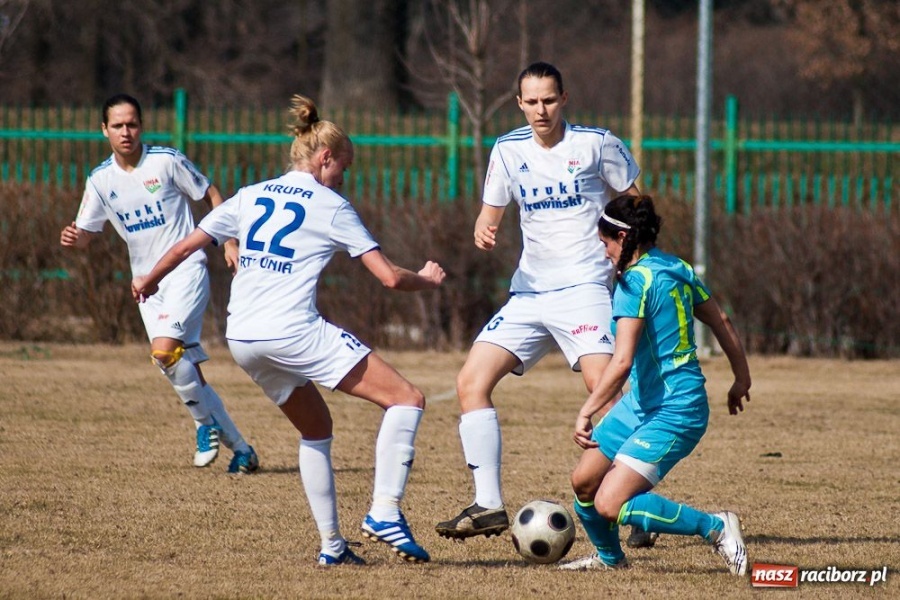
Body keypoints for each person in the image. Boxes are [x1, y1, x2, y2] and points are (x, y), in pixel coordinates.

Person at [131, 94, 445, 566]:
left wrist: (147, 280)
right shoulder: (332, 205)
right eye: (345, 166)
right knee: (407, 399)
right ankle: (384, 511)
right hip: (293, 332)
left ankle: (333, 548)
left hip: (243, 338)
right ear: (325, 158)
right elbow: (388, 277)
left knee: (316, 428)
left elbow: (184, 246)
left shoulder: (251, 194)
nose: (345, 176)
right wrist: (426, 278)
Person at [435, 61, 644, 541]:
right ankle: (487, 504)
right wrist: (483, 227)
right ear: (519, 103)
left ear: (564, 98)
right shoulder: (508, 150)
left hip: (586, 288)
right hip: (529, 291)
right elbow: (490, 211)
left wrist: (628, 259)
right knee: (471, 382)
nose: (540, 109)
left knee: (607, 392)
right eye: (531, 101)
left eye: (548, 99)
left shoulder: (596, 143)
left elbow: (637, 204)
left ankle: (630, 504)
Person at [60, 93, 257, 474]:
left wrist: (228, 240)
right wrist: (73, 237)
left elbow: (212, 194)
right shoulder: (101, 180)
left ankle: (203, 426)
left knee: (165, 352)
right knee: (187, 374)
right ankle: (243, 450)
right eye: (117, 125)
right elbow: (86, 232)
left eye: (132, 124)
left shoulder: (166, 161)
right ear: (104, 130)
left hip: (185, 269)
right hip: (146, 284)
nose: (125, 132)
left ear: (141, 126)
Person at [558, 194, 752, 575]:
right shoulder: (675, 266)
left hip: (676, 409)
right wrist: (741, 377)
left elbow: (622, 360)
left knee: (610, 504)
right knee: (583, 482)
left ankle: (715, 526)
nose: (604, 253)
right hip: (643, 403)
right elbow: (722, 321)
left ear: (621, 238)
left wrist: (586, 411)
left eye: (605, 244)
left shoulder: (633, 282)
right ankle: (610, 559)